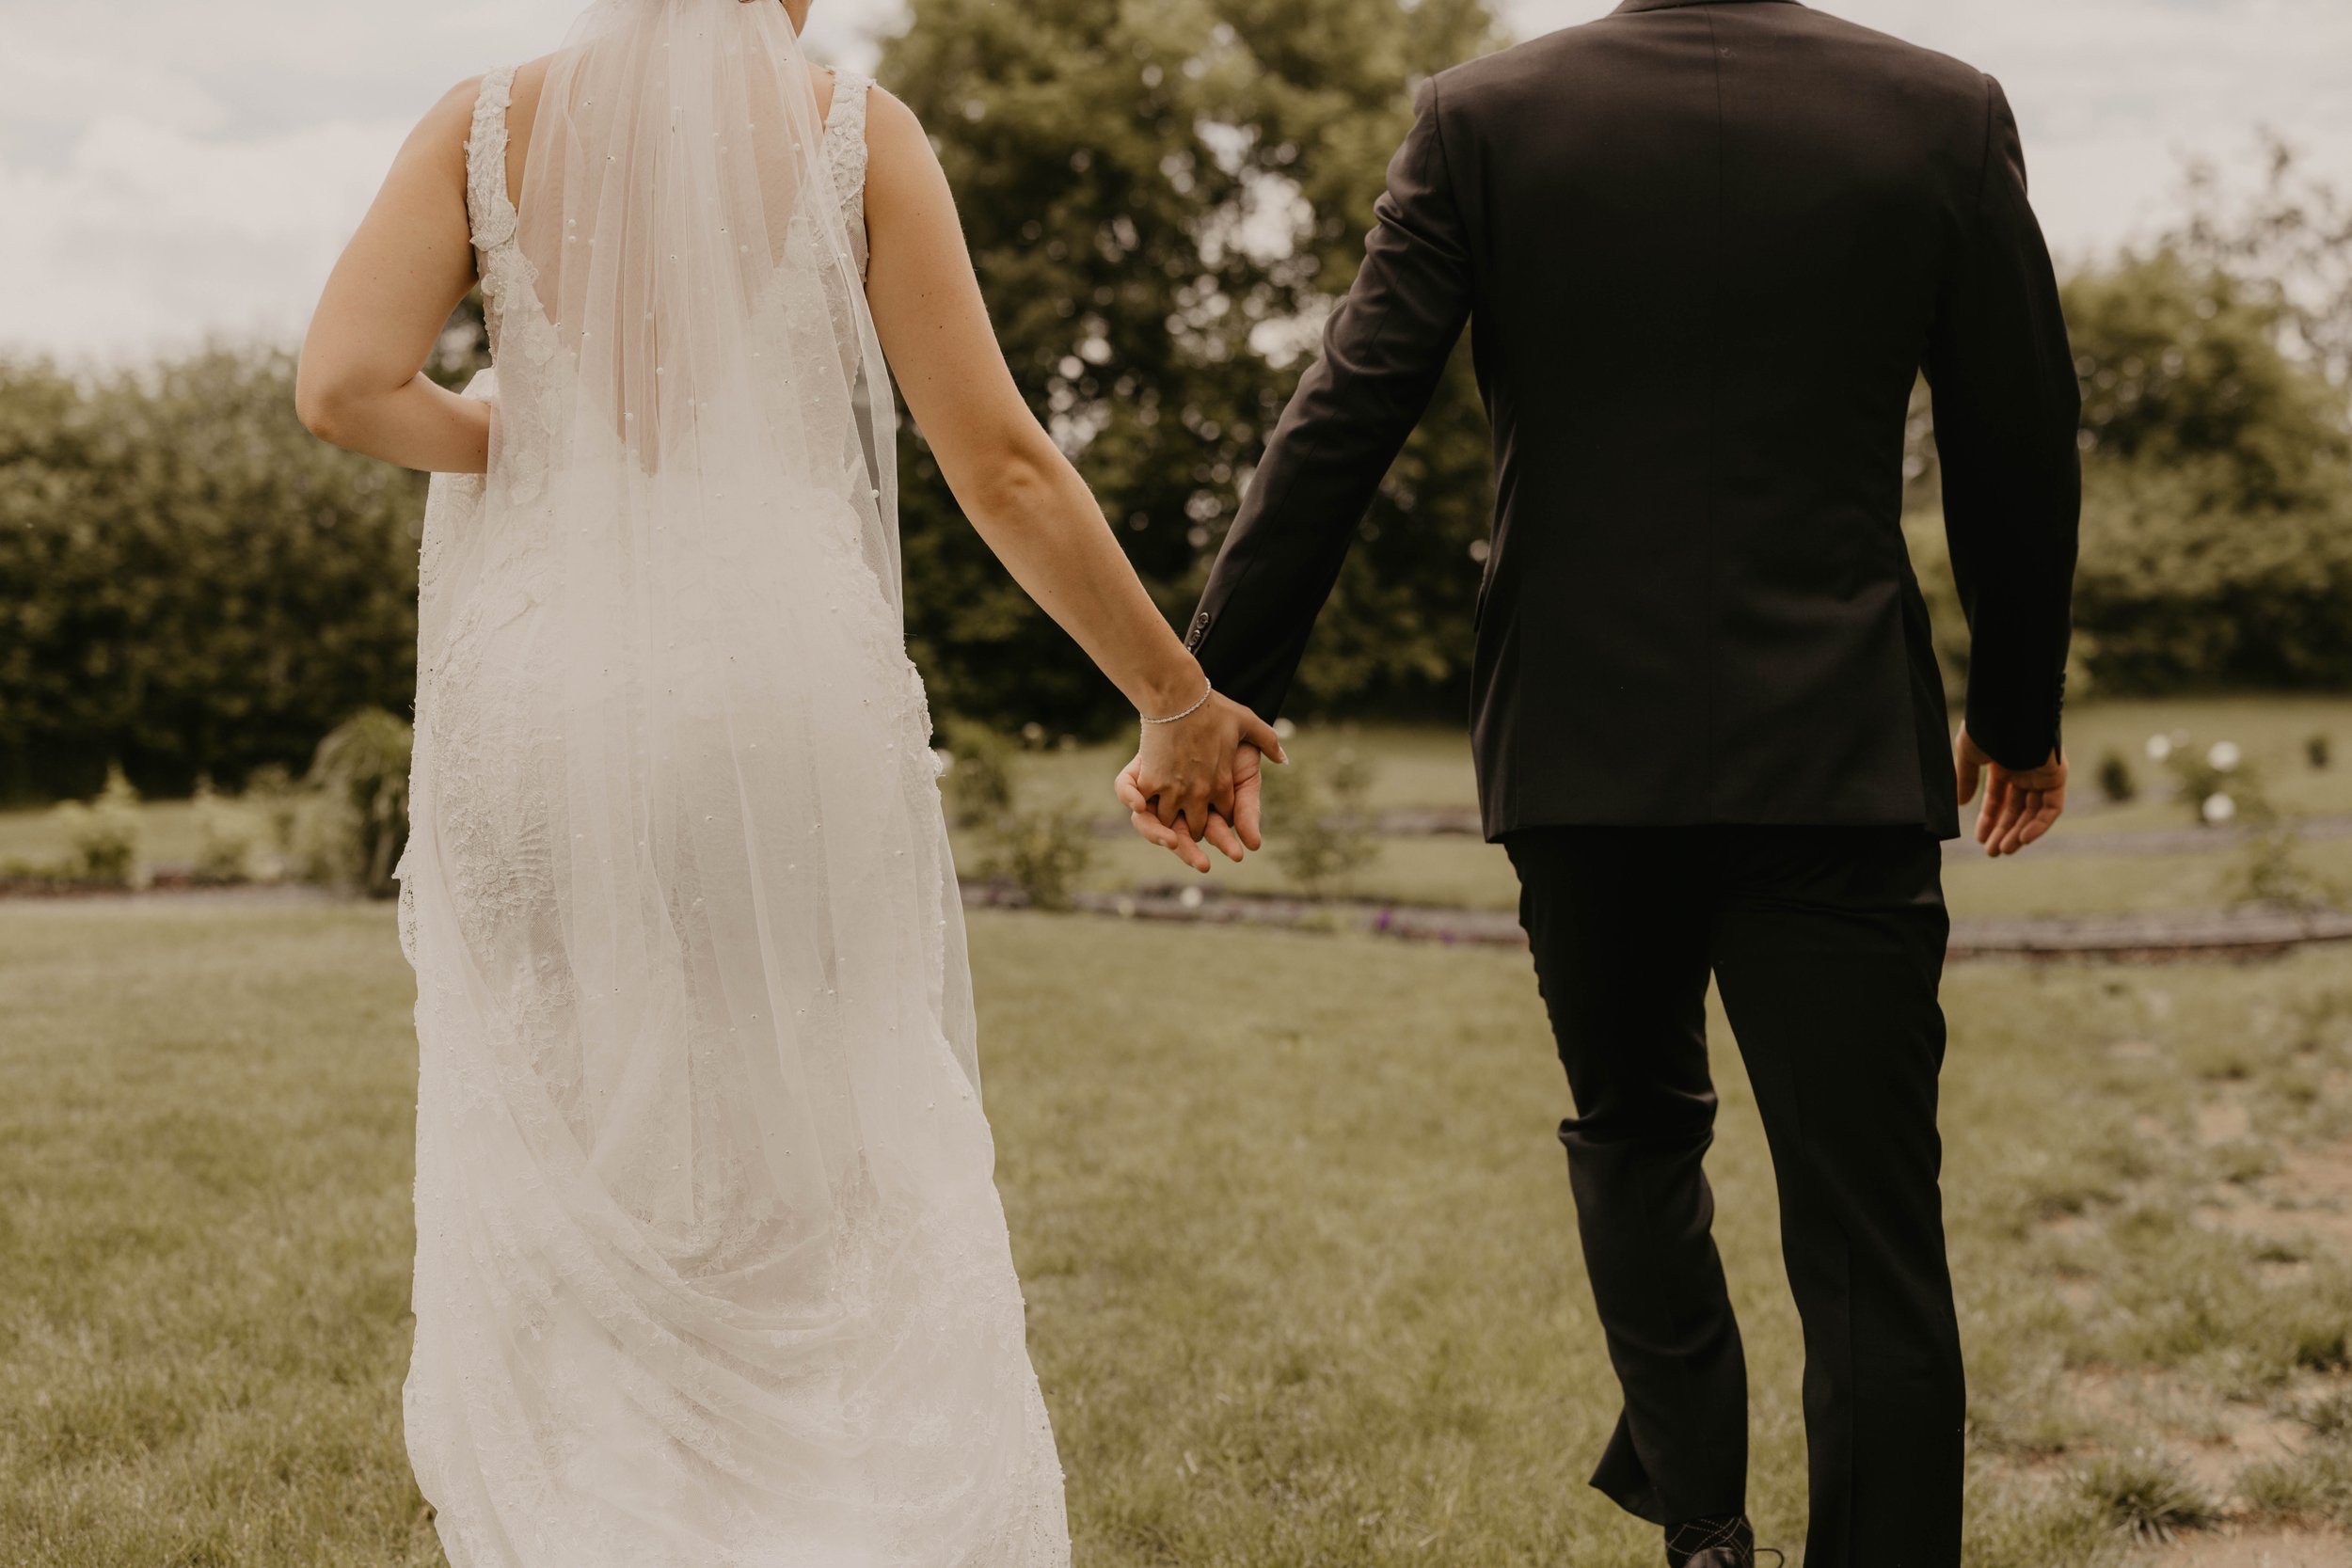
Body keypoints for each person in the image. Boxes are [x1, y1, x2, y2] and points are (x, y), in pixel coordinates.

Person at [296, 1, 1280, 1562]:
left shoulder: (485, 122)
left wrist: (531, 440)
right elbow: (1003, 467)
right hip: (777, 701)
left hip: (540, 710)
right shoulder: (851, 130)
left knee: (580, 1130)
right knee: (817, 1147)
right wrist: (1176, 697)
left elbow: (346, 386)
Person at [1120, 2, 2080, 1564]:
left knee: (1635, 1138)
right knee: (1870, 1232)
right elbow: (2020, 432)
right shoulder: (1941, 115)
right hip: (1834, 757)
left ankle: (1702, 1534)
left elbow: (1345, 412)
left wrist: (1216, 690)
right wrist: (2020, 711)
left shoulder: (1487, 119)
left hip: (1579, 755)